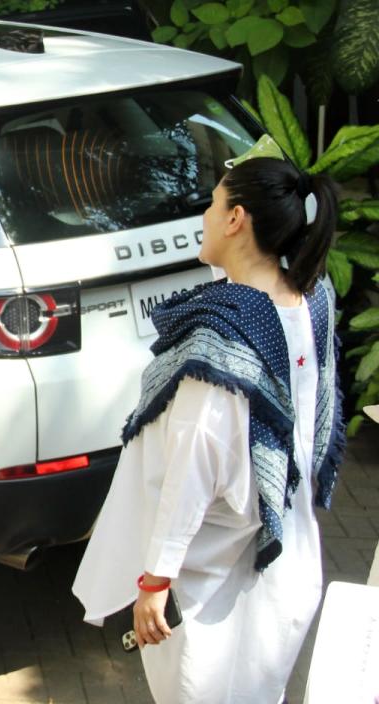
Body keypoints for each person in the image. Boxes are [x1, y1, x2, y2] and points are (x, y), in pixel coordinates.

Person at [73, 155, 346, 703]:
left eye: (214, 202)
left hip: (215, 585)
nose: (205, 213)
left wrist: (155, 578)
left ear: (236, 219)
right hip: (287, 557)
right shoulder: (311, 299)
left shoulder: (223, 335)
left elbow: (195, 461)